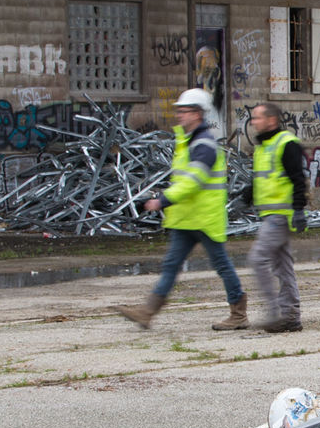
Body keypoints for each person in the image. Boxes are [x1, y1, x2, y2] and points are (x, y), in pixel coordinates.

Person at [116, 89, 249, 331]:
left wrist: (162, 200)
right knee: (171, 265)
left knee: (221, 265)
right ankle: (147, 312)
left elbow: (192, 182)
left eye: (184, 111)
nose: (179, 115)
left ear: (197, 114)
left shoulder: (204, 145)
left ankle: (238, 314)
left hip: (204, 218)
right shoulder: (188, 142)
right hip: (186, 218)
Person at [244, 103, 307, 332]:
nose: (253, 122)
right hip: (272, 214)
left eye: (257, 118)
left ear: (271, 120)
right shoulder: (265, 146)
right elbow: (265, 177)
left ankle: (275, 313)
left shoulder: (286, 144)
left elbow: (297, 179)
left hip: (281, 215)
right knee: (283, 266)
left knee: (258, 259)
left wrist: (299, 209)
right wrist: (249, 193)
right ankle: (290, 316)